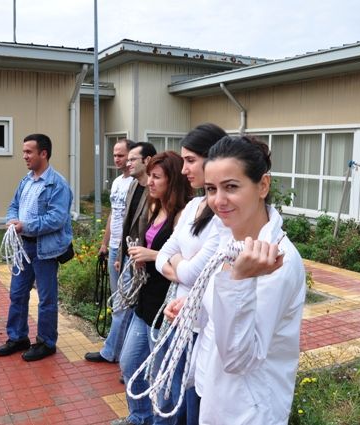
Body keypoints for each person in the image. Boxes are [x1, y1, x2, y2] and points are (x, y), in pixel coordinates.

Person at [165, 136, 306, 425]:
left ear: (262, 186)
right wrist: (193, 306)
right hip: (208, 386)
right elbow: (224, 315)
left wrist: (240, 279)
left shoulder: (277, 261)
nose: (218, 200)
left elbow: (239, 358)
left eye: (231, 187)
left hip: (247, 409)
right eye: (211, 189)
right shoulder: (228, 238)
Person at [152, 123, 227, 423]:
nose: (184, 169)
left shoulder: (222, 217)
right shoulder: (194, 205)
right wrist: (181, 264)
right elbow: (162, 256)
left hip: (200, 326)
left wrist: (177, 263)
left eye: (191, 160)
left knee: (191, 407)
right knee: (172, 398)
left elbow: (195, 273)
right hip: (178, 319)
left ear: (214, 158)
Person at [113, 151, 191, 425]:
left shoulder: (183, 215)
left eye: (157, 177)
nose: (150, 182)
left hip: (165, 306)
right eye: (150, 176)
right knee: (129, 363)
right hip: (145, 301)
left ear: (173, 181)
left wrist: (151, 255)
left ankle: (159, 421)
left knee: (161, 379)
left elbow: (185, 264)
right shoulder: (155, 207)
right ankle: (139, 417)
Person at [0, 133, 73, 362]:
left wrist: (25, 226)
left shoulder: (57, 184)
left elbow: (56, 219)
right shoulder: (26, 181)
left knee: (46, 299)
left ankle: (46, 342)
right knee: (17, 293)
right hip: (23, 248)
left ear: (43, 153)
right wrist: (12, 220)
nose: (24, 156)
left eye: (29, 152)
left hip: (45, 250)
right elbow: (13, 205)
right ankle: (18, 337)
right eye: (24, 152)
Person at [84, 138, 135, 363]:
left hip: (128, 250)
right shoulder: (116, 182)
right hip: (114, 248)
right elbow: (113, 215)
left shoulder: (137, 183)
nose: (117, 159)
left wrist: (124, 249)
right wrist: (105, 244)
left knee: (124, 302)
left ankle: (112, 351)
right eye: (115, 155)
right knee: (117, 301)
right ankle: (120, 349)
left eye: (121, 155)